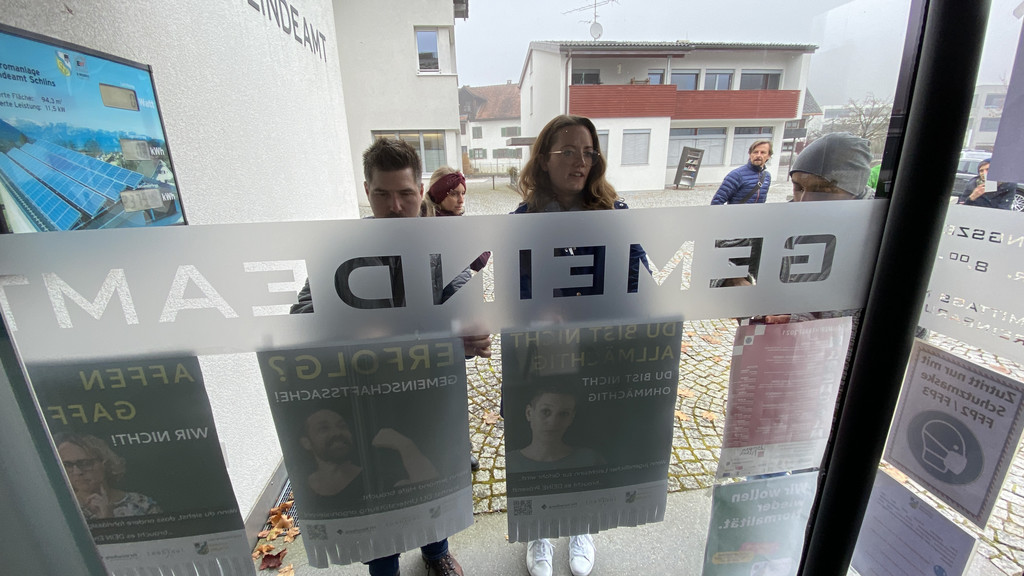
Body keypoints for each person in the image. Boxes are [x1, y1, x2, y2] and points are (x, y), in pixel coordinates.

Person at [293, 138, 488, 576]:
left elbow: (460, 304)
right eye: (382, 194)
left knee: (429, 479)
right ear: (367, 191)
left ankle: (436, 552)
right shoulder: (342, 250)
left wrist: (469, 335)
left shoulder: (443, 246)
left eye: (404, 194)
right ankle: (384, 570)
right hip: (365, 397)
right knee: (377, 488)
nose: (395, 207)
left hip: (425, 395)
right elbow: (301, 316)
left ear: (420, 190)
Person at [512, 113, 626, 576]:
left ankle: (582, 525)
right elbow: (516, 291)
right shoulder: (523, 220)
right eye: (568, 151)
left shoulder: (613, 213)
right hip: (541, 352)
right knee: (540, 434)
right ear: (543, 159)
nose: (581, 161)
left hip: (597, 349)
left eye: (588, 152)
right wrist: (541, 310)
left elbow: (636, 275)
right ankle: (540, 528)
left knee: (586, 430)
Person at [422, 167, 489, 473]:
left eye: (463, 193)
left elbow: (478, 261)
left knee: (454, 392)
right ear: (438, 195)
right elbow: (448, 276)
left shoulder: (459, 224)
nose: (461, 199)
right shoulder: (428, 226)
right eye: (453, 193)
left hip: (452, 321)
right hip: (435, 321)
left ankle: (461, 449)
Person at [301, 408, 438, 508]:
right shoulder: (302, 487)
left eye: (342, 426)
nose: (337, 432)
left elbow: (429, 493)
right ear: (306, 443)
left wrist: (405, 445)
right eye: (323, 428)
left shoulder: (379, 477)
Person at [55, 433, 161, 519]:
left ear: (105, 463)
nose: (77, 472)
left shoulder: (142, 504)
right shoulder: (60, 509)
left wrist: (109, 519)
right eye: (67, 465)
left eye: (85, 463)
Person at [507, 388, 604, 473]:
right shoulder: (509, 462)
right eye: (546, 411)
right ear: (529, 413)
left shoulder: (590, 460)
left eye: (564, 414)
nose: (553, 422)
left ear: (571, 418)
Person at [710, 139, 773, 205]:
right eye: (755, 152)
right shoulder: (736, 175)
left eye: (763, 152)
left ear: (768, 156)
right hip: (737, 212)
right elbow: (716, 202)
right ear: (750, 154)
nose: (758, 155)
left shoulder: (767, 176)